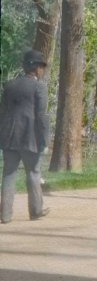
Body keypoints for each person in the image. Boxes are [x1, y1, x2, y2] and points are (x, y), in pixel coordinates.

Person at [1, 50, 51, 224]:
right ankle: (36, 211)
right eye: (42, 67)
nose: (43, 70)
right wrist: (45, 139)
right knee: (33, 172)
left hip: (9, 138)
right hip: (30, 137)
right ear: (36, 68)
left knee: (8, 174)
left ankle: (5, 215)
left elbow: (3, 113)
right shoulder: (39, 87)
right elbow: (41, 115)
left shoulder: (9, 85)